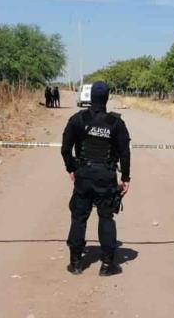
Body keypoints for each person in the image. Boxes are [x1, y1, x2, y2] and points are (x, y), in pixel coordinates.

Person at [61, 81, 131, 276]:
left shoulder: (78, 119)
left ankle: (76, 262)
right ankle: (107, 265)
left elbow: (65, 148)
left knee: (79, 217)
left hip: (83, 175)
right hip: (106, 177)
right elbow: (125, 153)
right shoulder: (116, 123)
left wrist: (72, 168)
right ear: (107, 98)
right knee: (106, 217)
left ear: (90, 97)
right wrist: (125, 177)